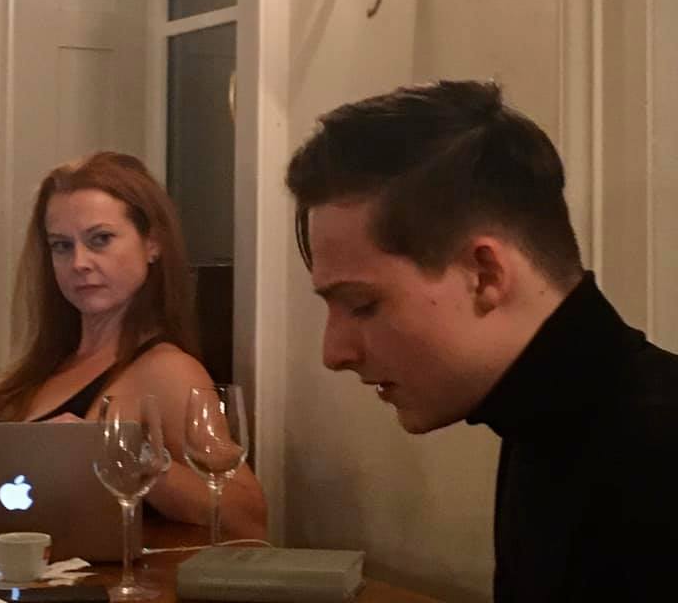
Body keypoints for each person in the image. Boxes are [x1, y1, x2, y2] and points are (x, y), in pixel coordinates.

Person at [285, 80, 678, 602]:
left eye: (363, 305)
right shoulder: (542, 420)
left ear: (485, 274)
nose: (333, 353)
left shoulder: (657, 456)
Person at [0, 150, 267, 539]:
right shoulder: (44, 364)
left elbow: (248, 516)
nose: (79, 263)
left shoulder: (167, 371)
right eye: (61, 246)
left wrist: (125, 453)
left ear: (152, 243)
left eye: (100, 240)